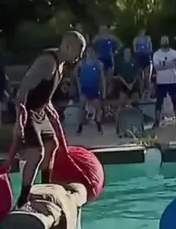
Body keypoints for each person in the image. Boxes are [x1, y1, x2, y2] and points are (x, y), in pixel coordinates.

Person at [9, 31, 86, 208]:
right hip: (27, 110)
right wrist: (20, 117)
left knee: (52, 145)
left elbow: (43, 93)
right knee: (37, 153)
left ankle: (45, 189)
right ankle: (23, 200)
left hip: (40, 112)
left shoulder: (60, 66)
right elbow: (24, 87)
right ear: (67, 46)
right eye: (78, 51)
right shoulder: (47, 62)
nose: (79, 57)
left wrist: (51, 111)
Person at [151, 36, 176, 127]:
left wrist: (163, 65)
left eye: (166, 40)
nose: (164, 42)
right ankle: (157, 121)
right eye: (163, 40)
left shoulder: (174, 53)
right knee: (159, 102)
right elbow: (156, 67)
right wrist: (169, 64)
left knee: (175, 101)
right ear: (160, 42)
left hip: (172, 81)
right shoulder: (157, 54)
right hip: (161, 82)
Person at [75, 48, 105, 134]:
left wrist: (104, 90)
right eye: (89, 52)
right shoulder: (81, 63)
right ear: (86, 53)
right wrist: (78, 84)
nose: (90, 54)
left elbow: (103, 78)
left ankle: (98, 125)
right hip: (84, 88)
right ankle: (80, 126)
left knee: (98, 108)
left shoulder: (98, 64)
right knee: (82, 107)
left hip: (94, 88)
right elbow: (75, 73)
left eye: (92, 52)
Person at [133, 29, 155, 94]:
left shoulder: (147, 38)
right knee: (140, 76)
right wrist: (138, 52)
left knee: (147, 76)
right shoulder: (136, 39)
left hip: (146, 57)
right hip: (139, 57)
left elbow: (150, 47)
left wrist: (149, 51)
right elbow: (134, 49)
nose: (143, 32)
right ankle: (141, 91)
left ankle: (147, 91)